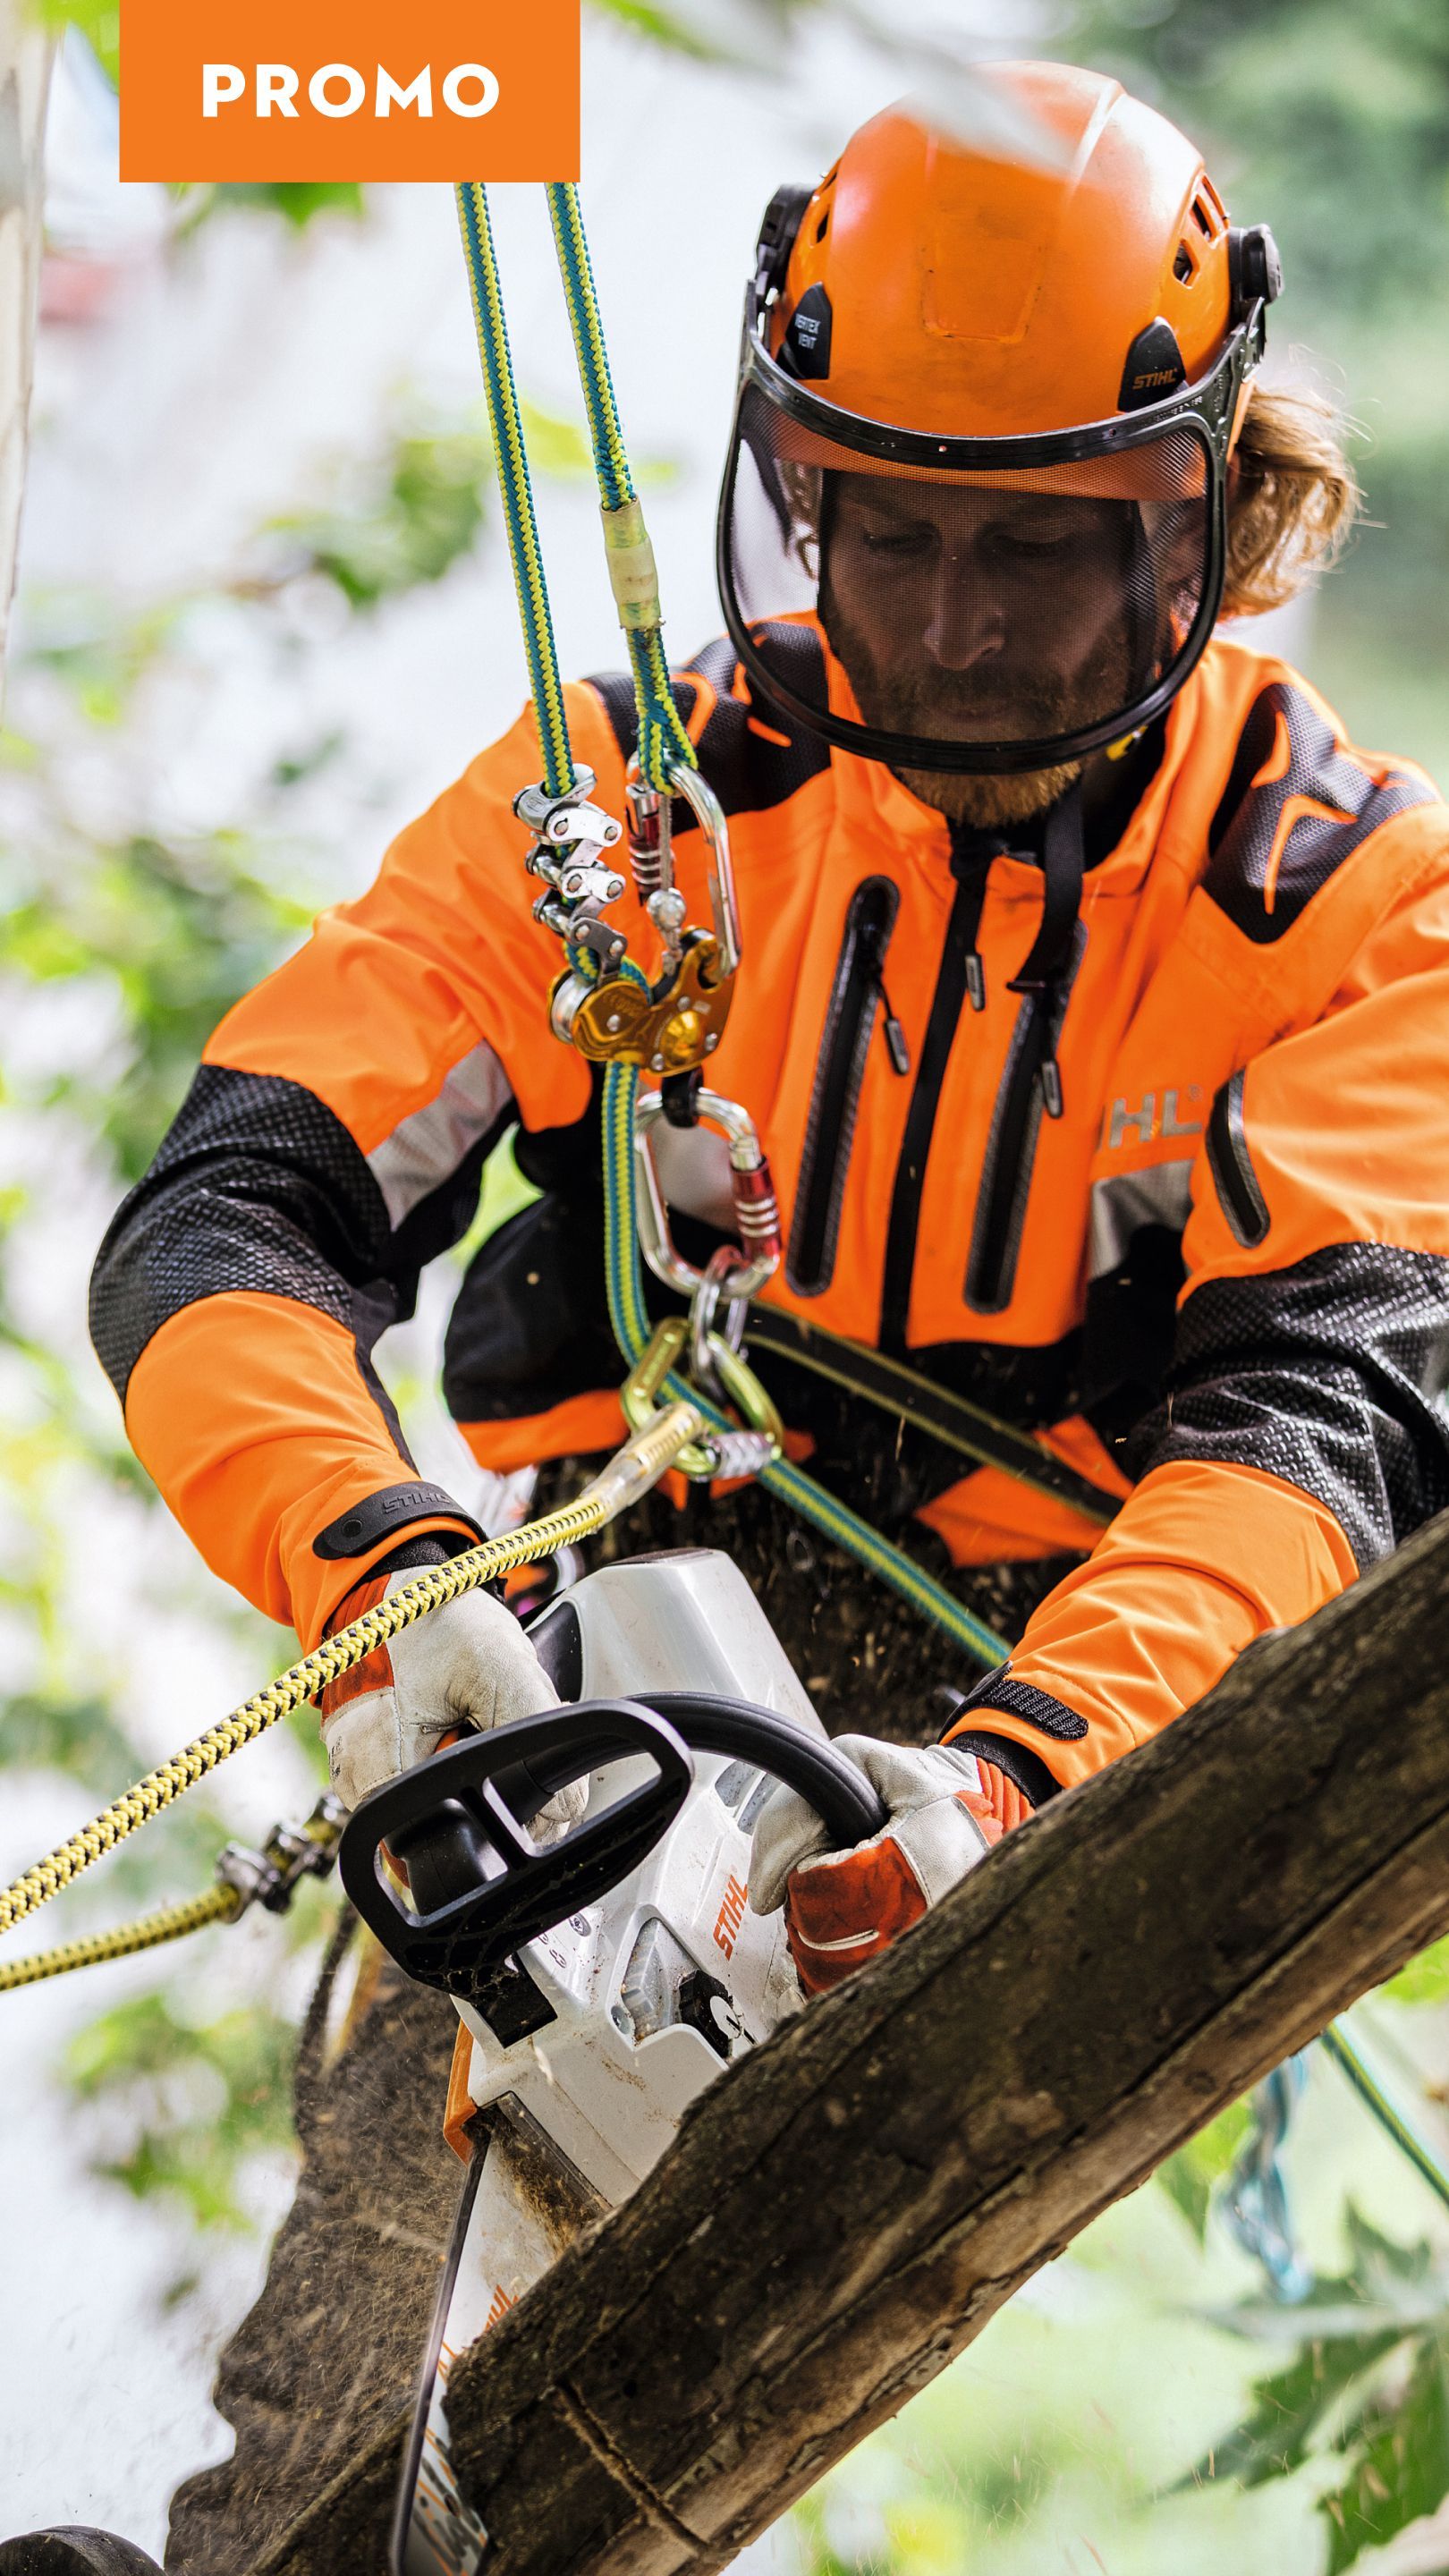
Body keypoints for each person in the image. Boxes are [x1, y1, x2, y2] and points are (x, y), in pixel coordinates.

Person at [89, 62, 1449, 2571]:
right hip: (613, 1617)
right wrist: (386, 1578)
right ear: (785, 475)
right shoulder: (643, 801)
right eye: (883, 534)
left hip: (1071, 1687)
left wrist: (1014, 1786)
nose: (947, 628)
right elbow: (227, 1218)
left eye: (1039, 556)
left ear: (1207, 517)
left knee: (695, 2329)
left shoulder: (1349, 917)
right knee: (361, 2345)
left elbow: (1314, 1439)